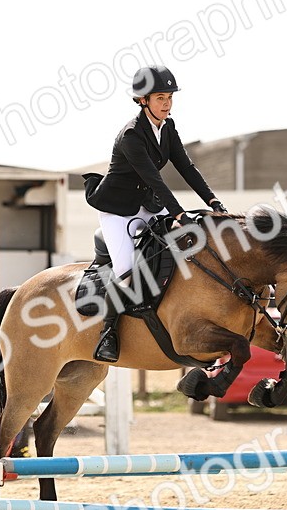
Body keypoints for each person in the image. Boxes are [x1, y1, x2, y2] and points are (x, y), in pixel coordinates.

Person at [84, 65, 225, 363]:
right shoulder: (132, 135)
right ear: (143, 100)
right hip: (117, 211)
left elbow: (186, 168)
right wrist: (178, 215)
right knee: (126, 272)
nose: (167, 103)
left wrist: (213, 202)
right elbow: (154, 179)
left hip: (147, 205)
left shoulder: (168, 128)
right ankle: (107, 333)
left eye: (170, 97)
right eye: (160, 97)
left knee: (182, 252)